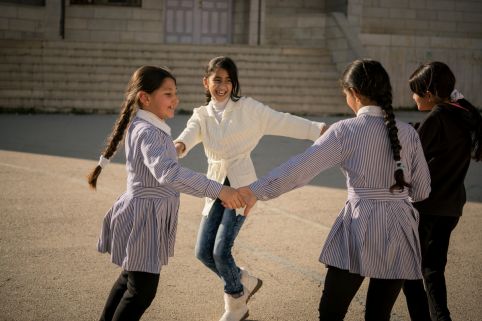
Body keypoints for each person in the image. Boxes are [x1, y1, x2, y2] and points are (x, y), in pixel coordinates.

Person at [239, 59, 432, 321]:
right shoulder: (408, 132)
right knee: (379, 315)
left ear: (353, 93)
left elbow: (299, 168)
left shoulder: (345, 131)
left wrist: (255, 190)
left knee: (331, 312)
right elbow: (421, 191)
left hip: (359, 223)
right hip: (399, 227)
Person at [173, 56, 327, 321]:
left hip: (242, 187)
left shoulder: (249, 108)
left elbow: (281, 120)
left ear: (234, 84)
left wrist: (317, 129)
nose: (222, 86)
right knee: (203, 252)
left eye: (228, 81)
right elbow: (189, 133)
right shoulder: (202, 114)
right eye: (217, 80)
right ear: (206, 82)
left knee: (221, 251)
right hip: (216, 188)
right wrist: (178, 146)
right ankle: (244, 279)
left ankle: (237, 305)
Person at [87, 65, 245, 321]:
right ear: (145, 98)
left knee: (129, 279)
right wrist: (220, 190)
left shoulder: (146, 126)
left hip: (143, 214)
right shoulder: (148, 132)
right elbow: (169, 174)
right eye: (168, 94)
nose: (175, 99)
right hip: (144, 219)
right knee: (142, 291)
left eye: (175, 93)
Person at [402, 61, 482, 321]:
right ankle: (441, 317)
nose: (413, 97)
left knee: (407, 269)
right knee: (433, 270)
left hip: (427, 207)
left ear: (429, 94)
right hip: (451, 208)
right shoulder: (462, 113)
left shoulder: (437, 117)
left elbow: (414, 151)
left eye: (415, 92)